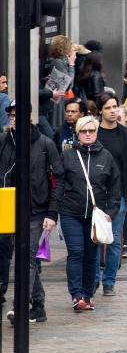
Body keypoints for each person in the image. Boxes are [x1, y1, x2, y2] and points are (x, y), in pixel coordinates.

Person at [0, 102, 63, 323]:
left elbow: (58, 179)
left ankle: (20, 306)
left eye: (20, 115)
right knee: (22, 256)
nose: (15, 119)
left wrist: (52, 213)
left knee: (26, 257)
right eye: (13, 115)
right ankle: (38, 305)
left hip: (37, 210)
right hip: (8, 208)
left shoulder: (45, 144)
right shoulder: (4, 142)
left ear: (30, 117)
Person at [59, 115, 121, 311]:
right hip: (71, 211)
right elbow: (59, 181)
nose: (87, 134)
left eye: (91, 131)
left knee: (91, 255)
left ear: (96, 132)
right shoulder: (68, 155)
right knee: (76, 252)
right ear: (77, 133)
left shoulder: (106, 156)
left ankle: (88, 293)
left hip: (96, 215)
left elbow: (115, 186)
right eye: (83, 131)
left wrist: (111, 211)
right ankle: (76, 295)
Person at [94, 92, 127, 292]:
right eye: (108, 107)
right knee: (95, 239)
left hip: (120, 194)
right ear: (100, 111)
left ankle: (109, 281)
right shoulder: (93, 133)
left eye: (115, 106)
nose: (113, 111)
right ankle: (94, 278)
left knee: (114, 240)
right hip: (97, 195)